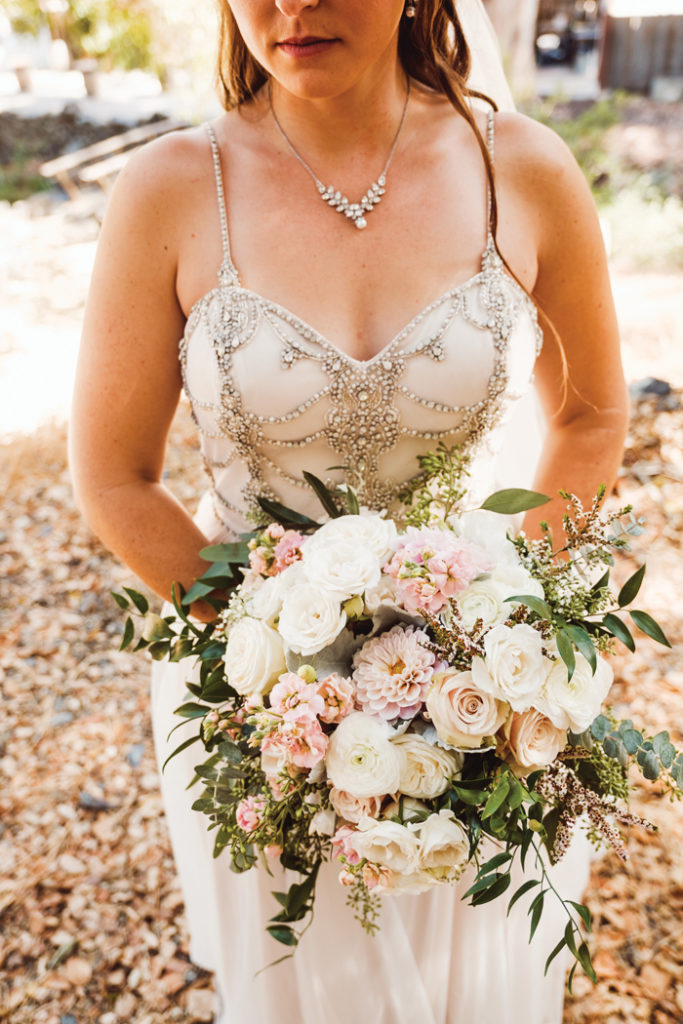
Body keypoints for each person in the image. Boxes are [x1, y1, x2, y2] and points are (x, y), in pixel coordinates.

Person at [69, 1, 629, 1021]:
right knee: (301, 989)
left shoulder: (526, 170)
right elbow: (113, 474)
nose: (290, 5)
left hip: (478, 693)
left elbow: (590, 415)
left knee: (470, 975)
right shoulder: (169, 190)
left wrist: (506, 626)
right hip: (253, 699)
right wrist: (280, 659)